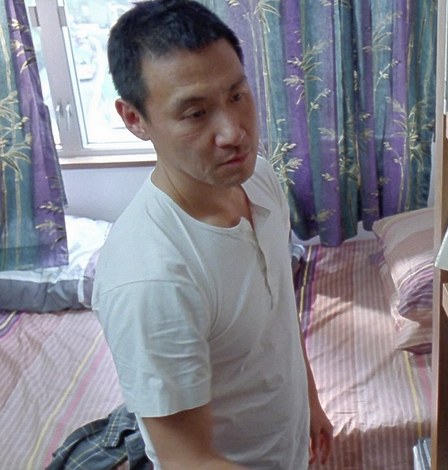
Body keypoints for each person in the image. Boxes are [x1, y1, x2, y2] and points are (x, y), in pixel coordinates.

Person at [92, 1, 333, 468]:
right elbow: (187, 459)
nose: (233, 133)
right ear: (135, 119)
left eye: (237, 96)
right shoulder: (150, 280)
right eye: (196, 113)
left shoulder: (258, 179)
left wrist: (310, 402)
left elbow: (279, 315)